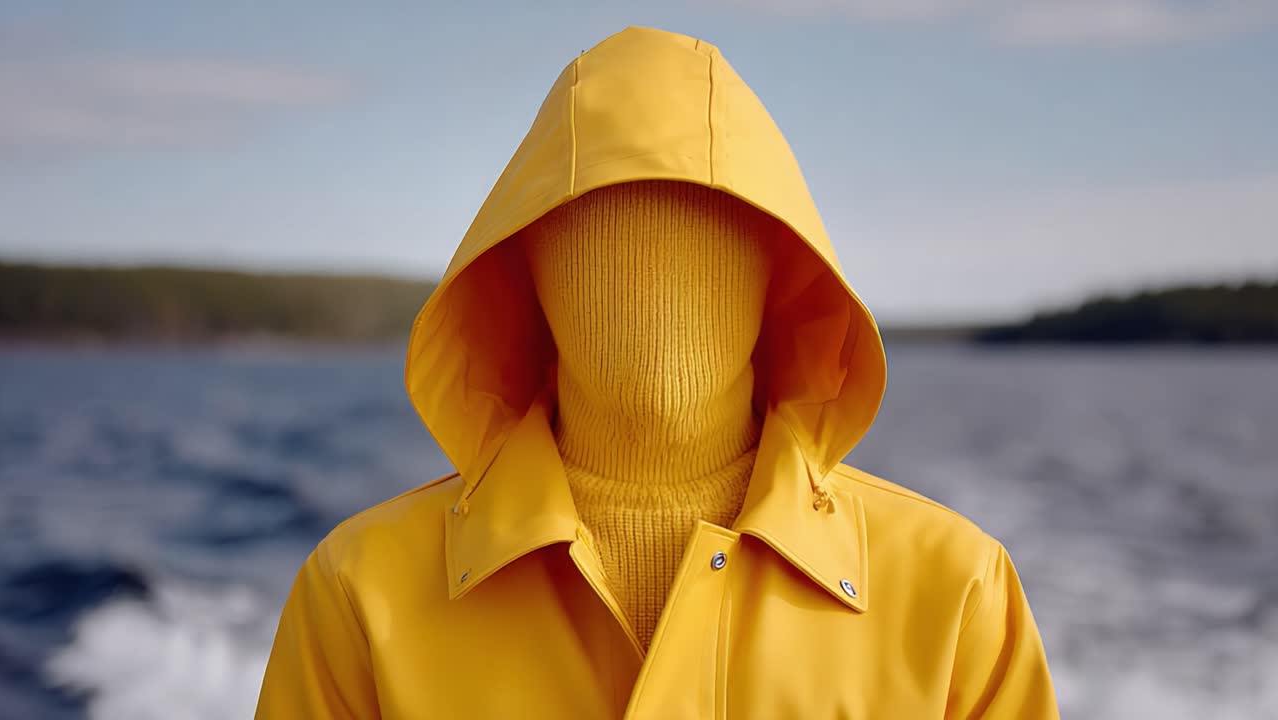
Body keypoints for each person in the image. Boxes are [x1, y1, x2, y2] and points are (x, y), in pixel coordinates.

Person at [257, 26, 1059, 719]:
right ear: (523, 264)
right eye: (593, 230)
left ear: (778, 267)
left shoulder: (956, 594)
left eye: (709, 229)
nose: (648, 284)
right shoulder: (358, 595)